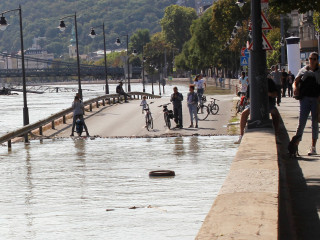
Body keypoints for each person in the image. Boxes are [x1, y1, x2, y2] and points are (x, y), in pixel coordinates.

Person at [235, 78, 280, 144]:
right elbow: (248, 98)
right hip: (254, 104)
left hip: (269, 103)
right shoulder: (252, 83)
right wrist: (255, 99)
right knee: (244, 113)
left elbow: (276, 93)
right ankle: (241, 135)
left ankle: (276, 135)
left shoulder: (269, 81)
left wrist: (268, 94)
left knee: (275, 114)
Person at [292, 52, 320, 155]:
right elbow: (295, 82)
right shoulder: (303, 71)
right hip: (305, 99)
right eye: (310, 58)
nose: (312, 61)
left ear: (317, 60)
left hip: (316, 100)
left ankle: (313, 147)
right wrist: (295, 89)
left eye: (314, 59)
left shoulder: (319, 71)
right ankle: (295, 146)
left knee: (315, 124)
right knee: (301, 123)